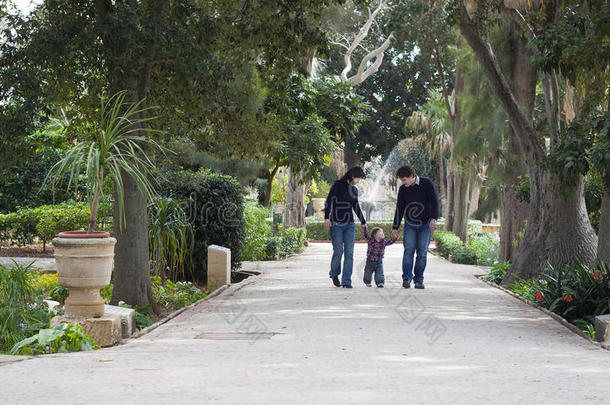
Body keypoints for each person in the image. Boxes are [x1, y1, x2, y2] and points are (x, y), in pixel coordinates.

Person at [391, 166, 439, 289]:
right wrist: (395, 227)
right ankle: (406, 278)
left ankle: (419, 280)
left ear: (412, 176)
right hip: (410, 225)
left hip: (425, 225)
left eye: (404, 180)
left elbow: (434, 202)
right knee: (408, 251)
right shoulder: (403, 189)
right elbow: (399, 208)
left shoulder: (427, 183)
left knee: (422, 253)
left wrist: (434, 218)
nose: (403, 182)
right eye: (402, 180)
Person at [324, 167, 367, 288]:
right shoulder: (338, 185)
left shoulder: (354, 190)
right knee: (338, 251)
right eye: (358, 178)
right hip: (336, 224)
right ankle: (334, 273)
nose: (358, 181)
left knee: (349, 253)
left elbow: (356, 206)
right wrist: (327, 217)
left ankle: (346, 281)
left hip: (349, 225)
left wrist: (363, 222)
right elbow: (329, 201)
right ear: (352, 175)